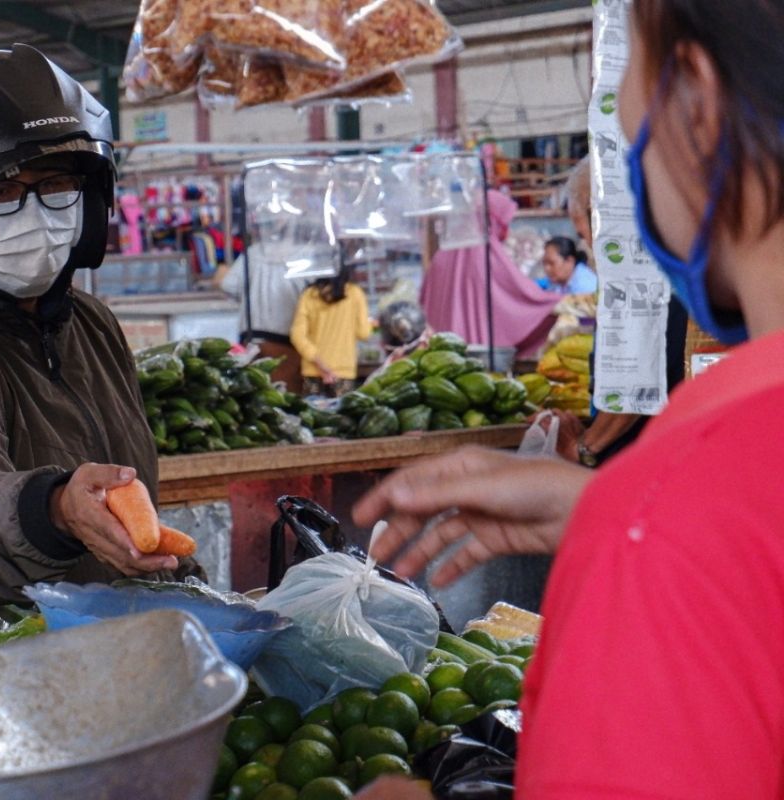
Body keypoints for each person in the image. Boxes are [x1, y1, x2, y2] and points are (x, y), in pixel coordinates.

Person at [352, 1, 784, 795]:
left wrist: (648, 527)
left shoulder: (680, 513)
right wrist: (609, 507)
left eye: (623, 90)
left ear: (696, 101)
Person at [0, 45, 199, 606]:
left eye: (55, 187)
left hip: (91, 641)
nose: (35, 213)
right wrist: (54, 509)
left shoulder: (90, 323)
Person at [555, 157, 691, 466]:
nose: (586, 245)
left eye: (582, 233)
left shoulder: (636, 276)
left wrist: (586, 448)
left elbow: (636, 390)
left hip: (642, 459)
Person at [420, 190, 561, 359]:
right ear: (493, 220)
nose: (507, 231)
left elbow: (424, 304)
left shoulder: (442, 254)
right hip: (478, 363)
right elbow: (518, 297)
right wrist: (556, 302)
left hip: (438, 360)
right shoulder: (487, 253)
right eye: (504, 222)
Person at [218, 234, 319, 393]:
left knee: (254, 399)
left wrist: (248, 296)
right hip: (286, 342)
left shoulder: (253, 253)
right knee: (284, 401)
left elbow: (228, 285)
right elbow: (317, 296)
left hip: (251, 339)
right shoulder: (305, 256)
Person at [290, 264, 373, 397]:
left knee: (313, 415)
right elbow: (364, 333)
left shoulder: (309, 294)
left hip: (313, 370)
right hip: (343, 371)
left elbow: (297, 335)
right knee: (340, 416)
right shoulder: (355, 293)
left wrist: (319, 363)